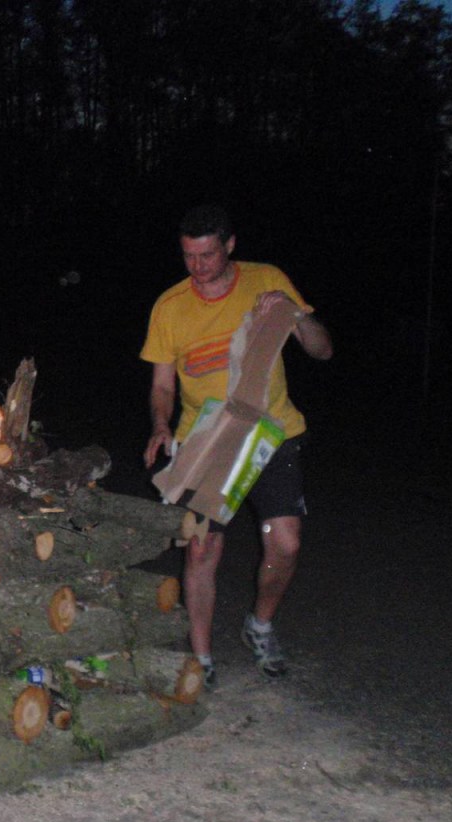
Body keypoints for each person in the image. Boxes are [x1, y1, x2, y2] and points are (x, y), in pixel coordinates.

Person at [141, 204, 333, 687]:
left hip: (272, 433)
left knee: (285, 544)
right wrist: (161, 425)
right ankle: (202, 656)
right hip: (205, 440)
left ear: (229, 246)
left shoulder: (266, 280)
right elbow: (162, 384)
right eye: (189, 256)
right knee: (202, 549)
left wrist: (293, 314)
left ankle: (260, 625)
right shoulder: (170, 306)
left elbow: (322, 350)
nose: (198, 266)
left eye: (207, 255)